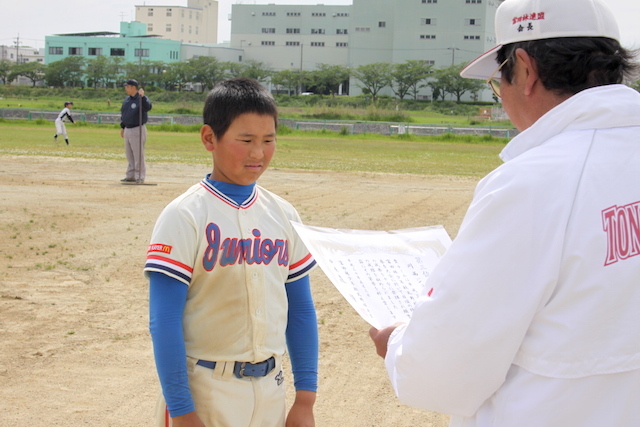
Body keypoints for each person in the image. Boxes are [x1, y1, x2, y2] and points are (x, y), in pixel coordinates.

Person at [369, 0, 640, 426]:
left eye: (499, 82)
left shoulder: (533, 182)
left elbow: (444, 369)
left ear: (526, 70)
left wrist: (399, 343)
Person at [144, 78, 319, 427]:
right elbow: (163, 321)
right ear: (210, 138)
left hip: (271, 388)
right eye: (246, 140)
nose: (259, 153)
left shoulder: (283, 214)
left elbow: (300, 309)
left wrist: (305, 399)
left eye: (268, 140)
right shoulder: (185, 214)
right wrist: (181, 410)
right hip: (207, 391)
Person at [120, 78, 152, 184]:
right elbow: (124, 114)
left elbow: (148, 107)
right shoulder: (127, 100)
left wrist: (142, 97)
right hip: (128, 129)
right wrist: (122, 127)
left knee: (138, 154)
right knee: (129, 154)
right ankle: (131, 175)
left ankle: (140, 176)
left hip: (137, 128)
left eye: (127, 87)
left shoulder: (141, 98)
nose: (126, 89)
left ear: (133, 87)